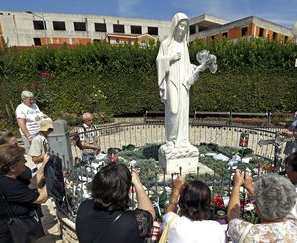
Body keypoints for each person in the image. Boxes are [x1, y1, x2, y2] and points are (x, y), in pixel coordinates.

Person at [0, 144, 48, 243]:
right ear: (13, 167)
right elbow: (41, 198)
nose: (26, 161)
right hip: (3, 238)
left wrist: (45, 165)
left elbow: (31, 184)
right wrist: (53, 179)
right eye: (23, 160)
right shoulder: (7, 184)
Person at [156, 13, 202, 149]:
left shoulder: (184, 46)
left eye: (185, 27)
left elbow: (186, 65)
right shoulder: (166, 44)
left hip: (182, 83)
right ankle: (170, 139)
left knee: (182, 110)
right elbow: (159, 60)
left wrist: (194, 68)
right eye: (181, 26)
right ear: (175, 26)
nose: (183, 29)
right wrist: (169, 58)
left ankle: (182, 139)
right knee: (174, 109)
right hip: (171, 80)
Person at [76, 163, 155, 243]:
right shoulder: (132, 222)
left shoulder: (84, 207)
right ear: (125, 192)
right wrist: (137, 183)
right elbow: (150, 213)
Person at [227, 172, 297, 242]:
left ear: (257, 208)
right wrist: (249, 186)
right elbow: (279, 203)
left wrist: (236, 186)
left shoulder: (248, 234)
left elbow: (233, 218)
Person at [160, 176, 226, 243]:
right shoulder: (216, 229)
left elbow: (169, 212)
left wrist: (176, 189)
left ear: (182, 201)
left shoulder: (173, 223)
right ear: (207, 204)